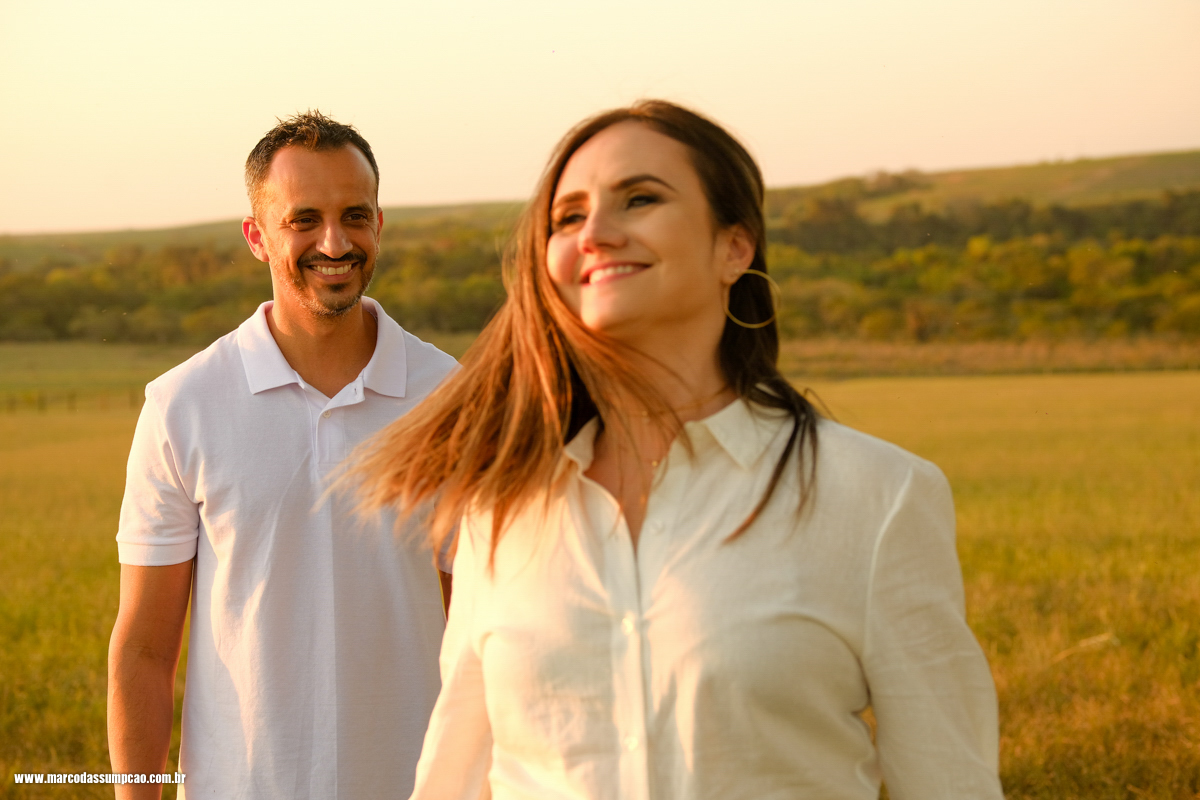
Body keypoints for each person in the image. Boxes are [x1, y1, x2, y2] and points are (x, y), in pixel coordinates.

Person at [350, 100, 1004, 799]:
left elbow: (951, 784)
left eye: (640, 198)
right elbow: (454, 779)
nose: (595, 233)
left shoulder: (875, 497)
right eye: (568, 217)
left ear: (734, 247)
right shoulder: (502, 504)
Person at [107, 111, 456, 800]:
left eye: (355, 216)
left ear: (379, 225)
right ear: (257, 237)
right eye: (304, 220)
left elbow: (482, 627)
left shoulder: (451, 397)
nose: (335, 242)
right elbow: (144, 649)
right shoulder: (183, 404)